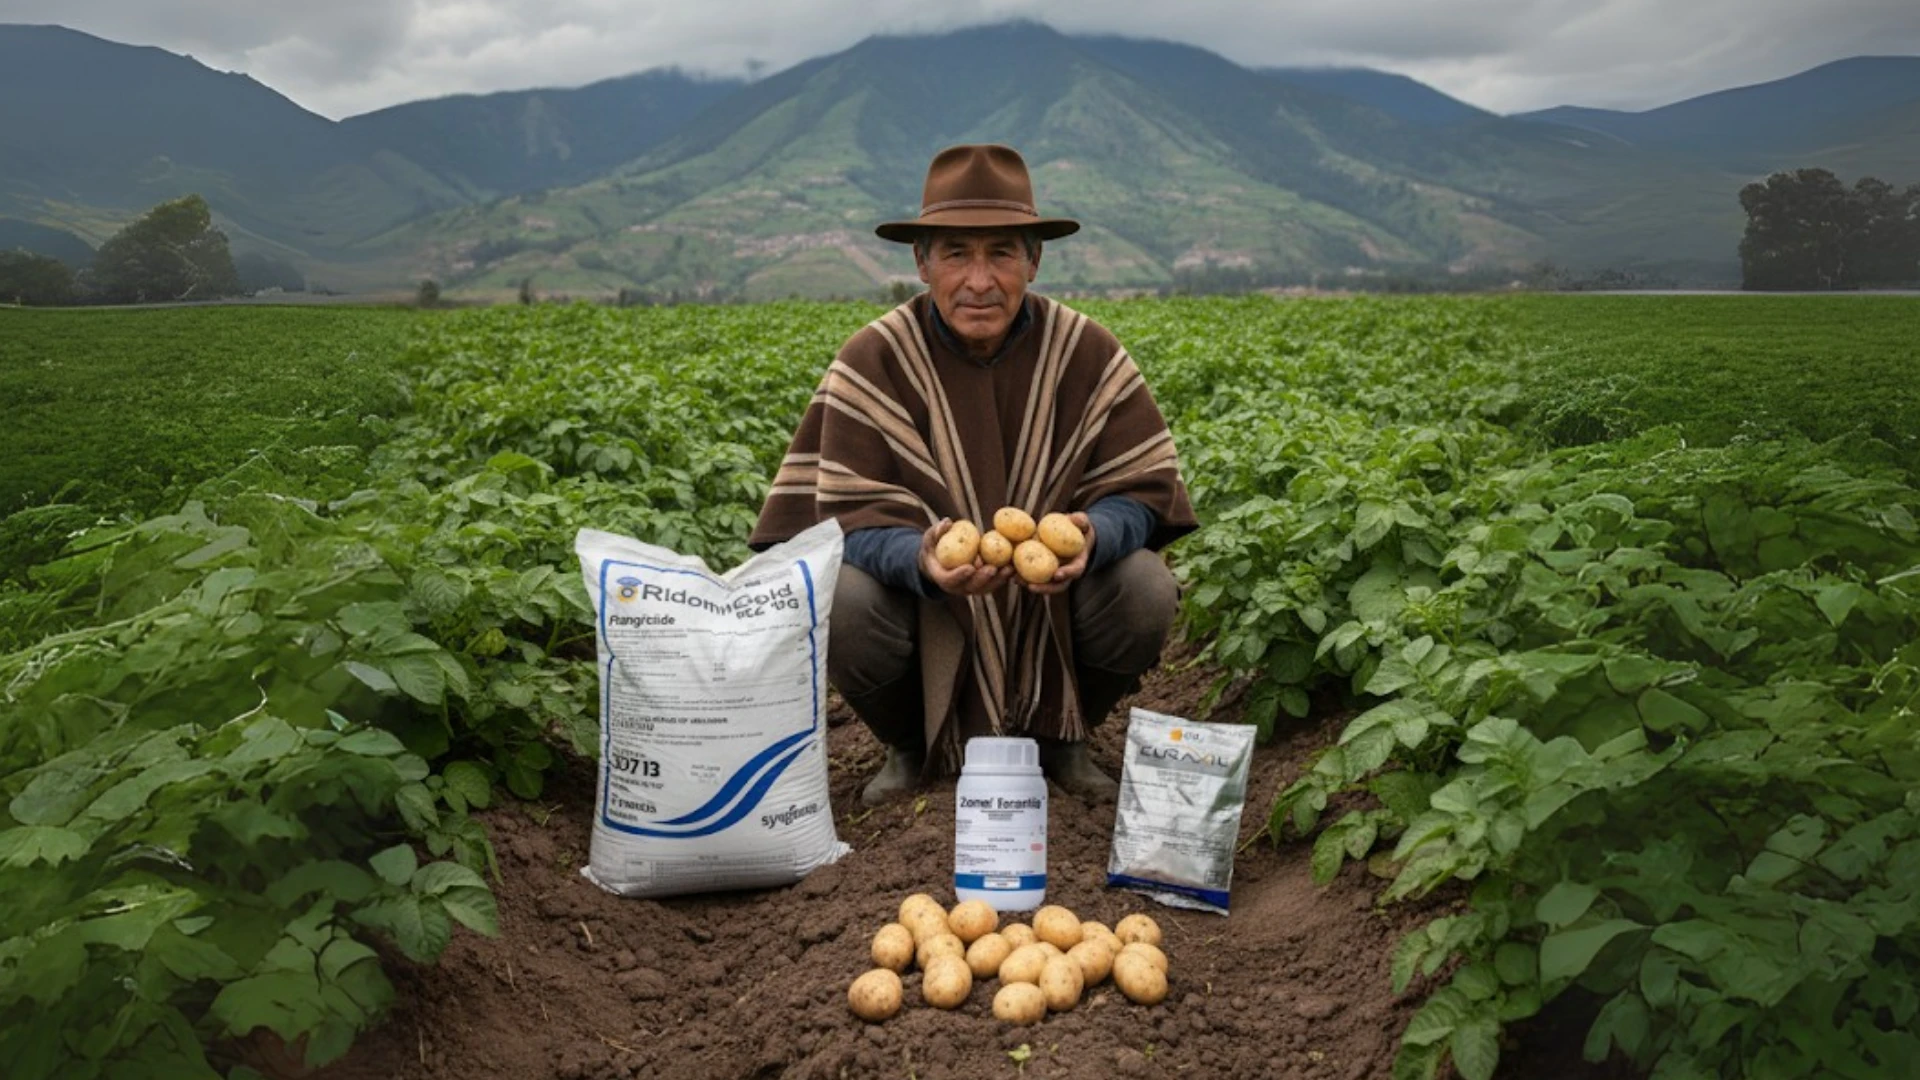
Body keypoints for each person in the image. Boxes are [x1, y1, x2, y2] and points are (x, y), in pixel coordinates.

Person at [750, 144, 1197, 806]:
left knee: (1144, 587)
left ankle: (1063, 738)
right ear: (922, 263)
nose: (980, 280)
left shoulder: (1085, 350)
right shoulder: (875, 358)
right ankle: (910, 743)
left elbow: (1141, 493)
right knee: (838, 598)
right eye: (956, 253)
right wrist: (923, 560)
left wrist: (1093, 536)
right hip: (926, 613)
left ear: (1034, 261)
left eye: (1002, 254)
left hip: (1059, 613)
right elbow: (841, 521)